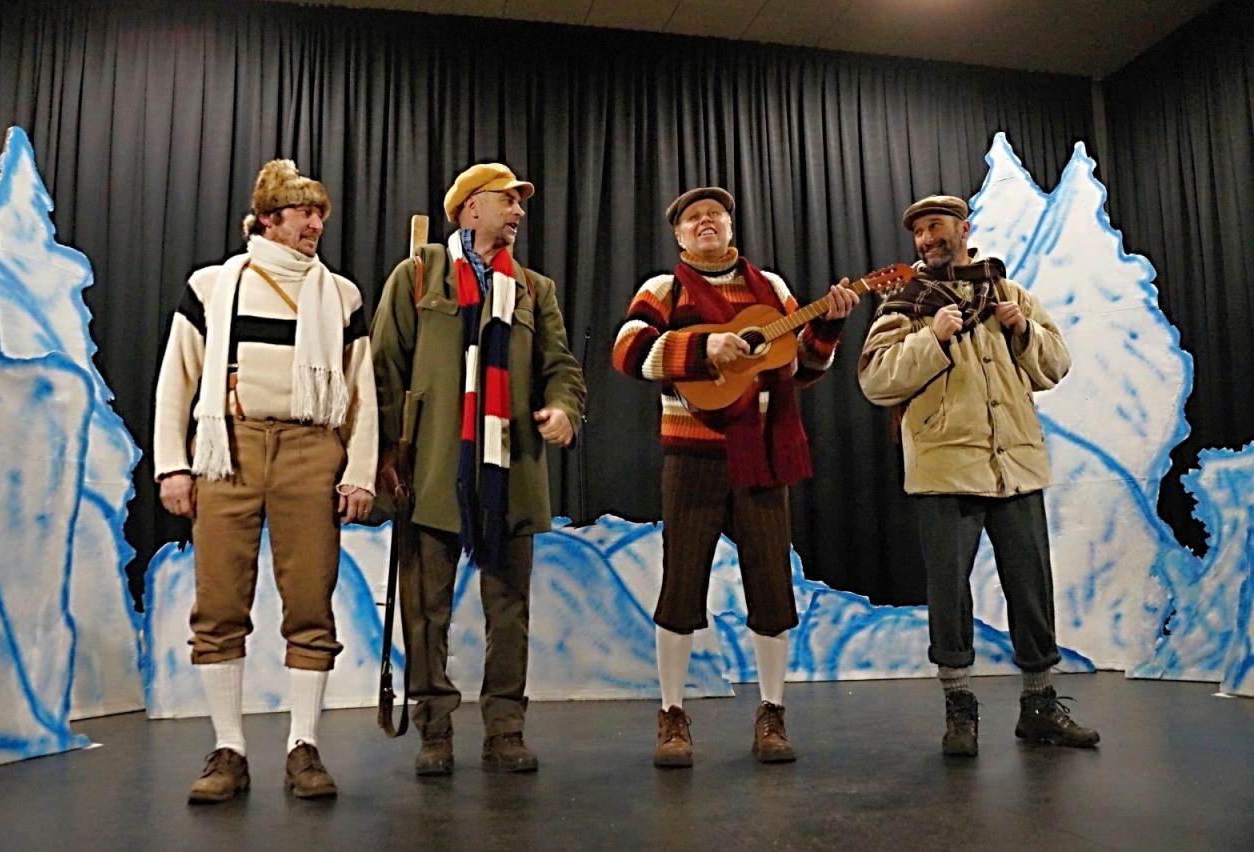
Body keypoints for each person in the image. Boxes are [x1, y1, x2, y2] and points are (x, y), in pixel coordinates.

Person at [612, 186, 859, 767]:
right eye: (693, 217)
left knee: (771, 581)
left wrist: (827, 328)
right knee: (681, 582)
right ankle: (672, 714)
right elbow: (627, 352)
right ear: (678, 236)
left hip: (764, 450)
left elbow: (800, 367)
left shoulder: (770, 288)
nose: (706, 222)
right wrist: (704, 348)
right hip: (692, 454)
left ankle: (772, 711)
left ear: (730, 227)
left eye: (715, 215)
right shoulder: (663, 289)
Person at [154, 159, 377, 801]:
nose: (315, 224)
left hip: (311, 447)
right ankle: (228, 749)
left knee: (310, 602)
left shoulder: (340, 296)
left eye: (320, 214)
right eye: (304, 212)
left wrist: (359, 472)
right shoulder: (213, 286)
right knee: (219, 602)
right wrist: (172, 465)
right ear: (268, 219)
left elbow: (361, 392)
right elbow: (176, 382)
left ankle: (304, 746)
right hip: (229, 446)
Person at [857, 194, 1100, 757]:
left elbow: (1056, 365)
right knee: (949, 592)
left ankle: (1039, 707)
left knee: (1031, 587)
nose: (926, 239)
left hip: (1015, 466)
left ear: (963, 229)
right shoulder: (905, 302)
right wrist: (931, 337)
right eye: (919, 232)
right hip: (945, 468)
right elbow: (876, 380)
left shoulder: (1007, 292)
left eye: (935, 227)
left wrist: (1023, 331)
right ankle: (959, 710)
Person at [371, 162, 585, 776]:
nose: (518, 211)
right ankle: (434, 728)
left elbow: (560, 367)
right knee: (425, 609)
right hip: (433, 467)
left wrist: (564, 410)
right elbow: (384, 367)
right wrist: (386, 455)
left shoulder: (533, 289)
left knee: (510, 609)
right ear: (470, 208)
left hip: (508, 470)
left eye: (520, 203)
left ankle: (505, 727)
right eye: (506, 200)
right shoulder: (419, 275)